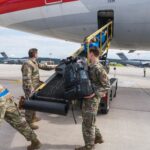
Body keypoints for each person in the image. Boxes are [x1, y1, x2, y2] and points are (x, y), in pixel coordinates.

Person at [75, 46, 110, 150]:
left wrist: (93, 94)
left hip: (92, 100)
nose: (88, 55)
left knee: (87, 124)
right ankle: (98, 137)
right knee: (89, 121)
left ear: (91, 54)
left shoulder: (98, 68)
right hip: (88, 99)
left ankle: (89, 146)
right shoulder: (91, 66)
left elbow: (107, 86)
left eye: (88, 53)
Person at [21, 48, 57, 130]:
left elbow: (44, 67)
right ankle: (29, 122)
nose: (38, 54)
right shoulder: (28, 63)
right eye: (37, 53)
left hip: (35, 86)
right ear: (35, 54)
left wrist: (56, 66)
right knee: (29, 104)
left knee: (34, 102)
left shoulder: (34, 62)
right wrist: (30, 88)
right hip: (30, 88)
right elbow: (26, 78)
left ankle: (33, 117)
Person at [0, 84, 41, 150]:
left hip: (2, 99)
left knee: (19, 122)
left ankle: (35, 142)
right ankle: (35, 142)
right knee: (19, 122)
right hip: (5, 95)